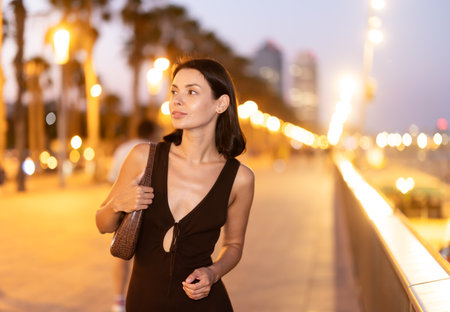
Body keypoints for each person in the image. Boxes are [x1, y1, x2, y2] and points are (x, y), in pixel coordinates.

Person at [96, 58, 255, 311]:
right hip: (143, 303)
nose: (177, 100)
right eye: (174, 91)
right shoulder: (143, 157)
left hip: (205, 304)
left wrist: (214, 272)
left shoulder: (240, 178)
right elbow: (102, 223)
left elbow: (234, 245)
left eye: (191, 92)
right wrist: (118, 204)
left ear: (221, 103)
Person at [107, 119, 158, 312]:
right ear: (152, 132)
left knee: (122, 255)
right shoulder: (154, 149)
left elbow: (112, 180)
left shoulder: (123, 149)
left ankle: (119, 299)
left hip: (124, 208)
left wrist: (116, 204)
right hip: (150, 208)